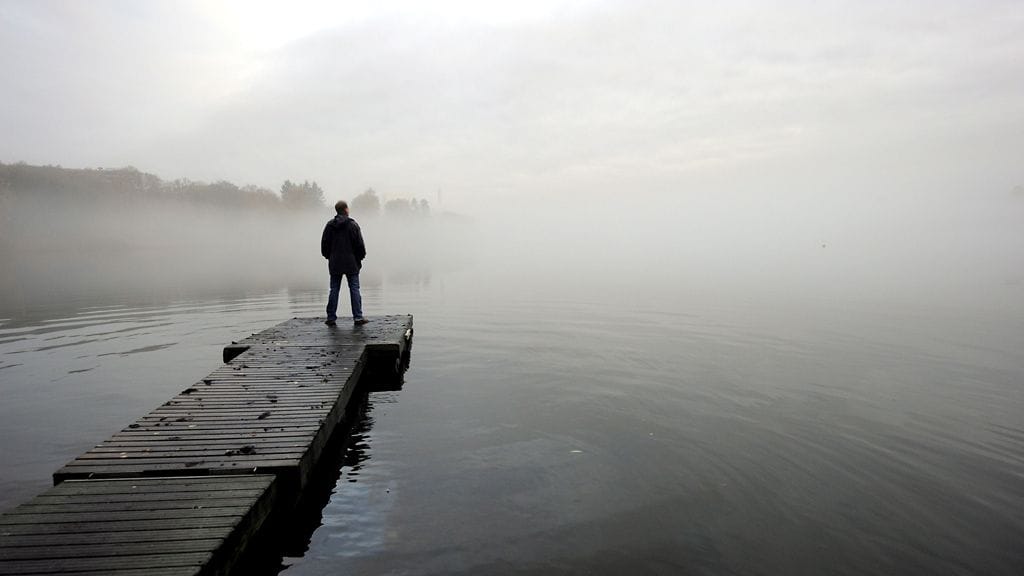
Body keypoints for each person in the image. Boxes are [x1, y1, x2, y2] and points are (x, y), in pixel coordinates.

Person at [321, 200, 368, 326]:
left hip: (335, 262)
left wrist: (329, 256)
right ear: (346, 209)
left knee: (334, 289)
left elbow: (324, 244)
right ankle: (358, 317)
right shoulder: (353, 225)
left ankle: (331, 317)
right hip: (351, 262)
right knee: (354, 288)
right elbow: (359, 244)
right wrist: (360, 258)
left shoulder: (330, 225)